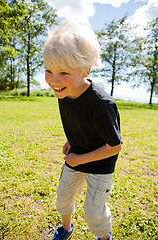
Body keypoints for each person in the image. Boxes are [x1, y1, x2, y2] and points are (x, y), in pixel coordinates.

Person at [44, 19, 122, 240]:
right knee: (63, 199)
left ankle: (104, 238)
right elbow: (78, 121)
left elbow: (114, 147)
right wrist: (73, 140)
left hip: (100, 165)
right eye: (49, 70)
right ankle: (66, 230)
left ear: (85, 70)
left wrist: (80, 159)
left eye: (63, 73)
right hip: (76, 155)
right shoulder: (64, 90)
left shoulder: (101, 104)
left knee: (94, 213)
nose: (54, 81)